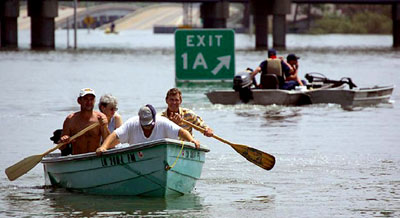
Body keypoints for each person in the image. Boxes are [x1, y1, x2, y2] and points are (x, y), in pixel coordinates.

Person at [96, 105, 200, 155]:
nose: (147, 127)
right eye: (144, 124)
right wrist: (103, 147)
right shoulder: (132, 123)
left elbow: (181, 131)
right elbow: (114, 135)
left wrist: (192, 140)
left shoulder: (163, 122)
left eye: (149, 124)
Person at [59, 88, 110, 155]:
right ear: (79, 101)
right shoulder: (70, 120)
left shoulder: (100, 118)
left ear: (94, 101)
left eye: (91, 99)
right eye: (86, 99)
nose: (89, 102)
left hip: (95, 157)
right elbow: (61, 147)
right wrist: (64, 140)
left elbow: (108, 141)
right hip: (77, 158)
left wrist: (104, 127)